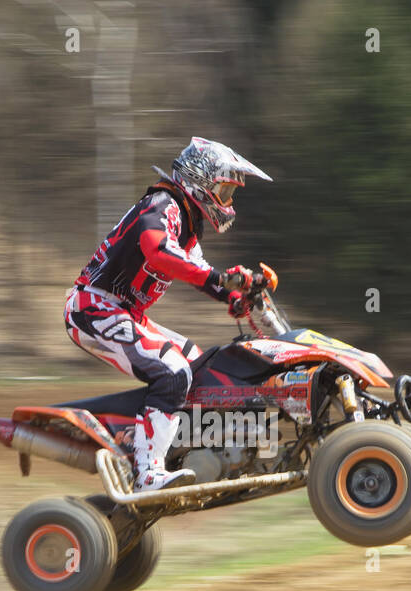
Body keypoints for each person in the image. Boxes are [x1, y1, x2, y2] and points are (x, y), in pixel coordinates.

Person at [64, 137, 271, 489]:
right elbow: (158, 252)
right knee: (174, 373)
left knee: (202, 365)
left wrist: (236, 295)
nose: (227, 201)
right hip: (94, 308)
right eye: (223, 190)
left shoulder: (187, 226)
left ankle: (179, 448)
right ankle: (148, 473)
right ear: (200, 181)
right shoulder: (163, 205)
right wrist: (221, 279)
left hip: (124, 313)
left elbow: (200, 272)